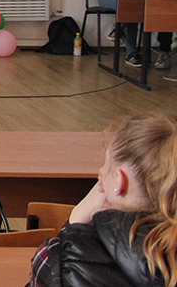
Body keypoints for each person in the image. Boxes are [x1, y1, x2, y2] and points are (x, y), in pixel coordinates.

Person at [28, 113, 177, 287]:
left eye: (106, 164)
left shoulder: (62, 263)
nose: (100, 173)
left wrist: (75, 221)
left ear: (120, 182)